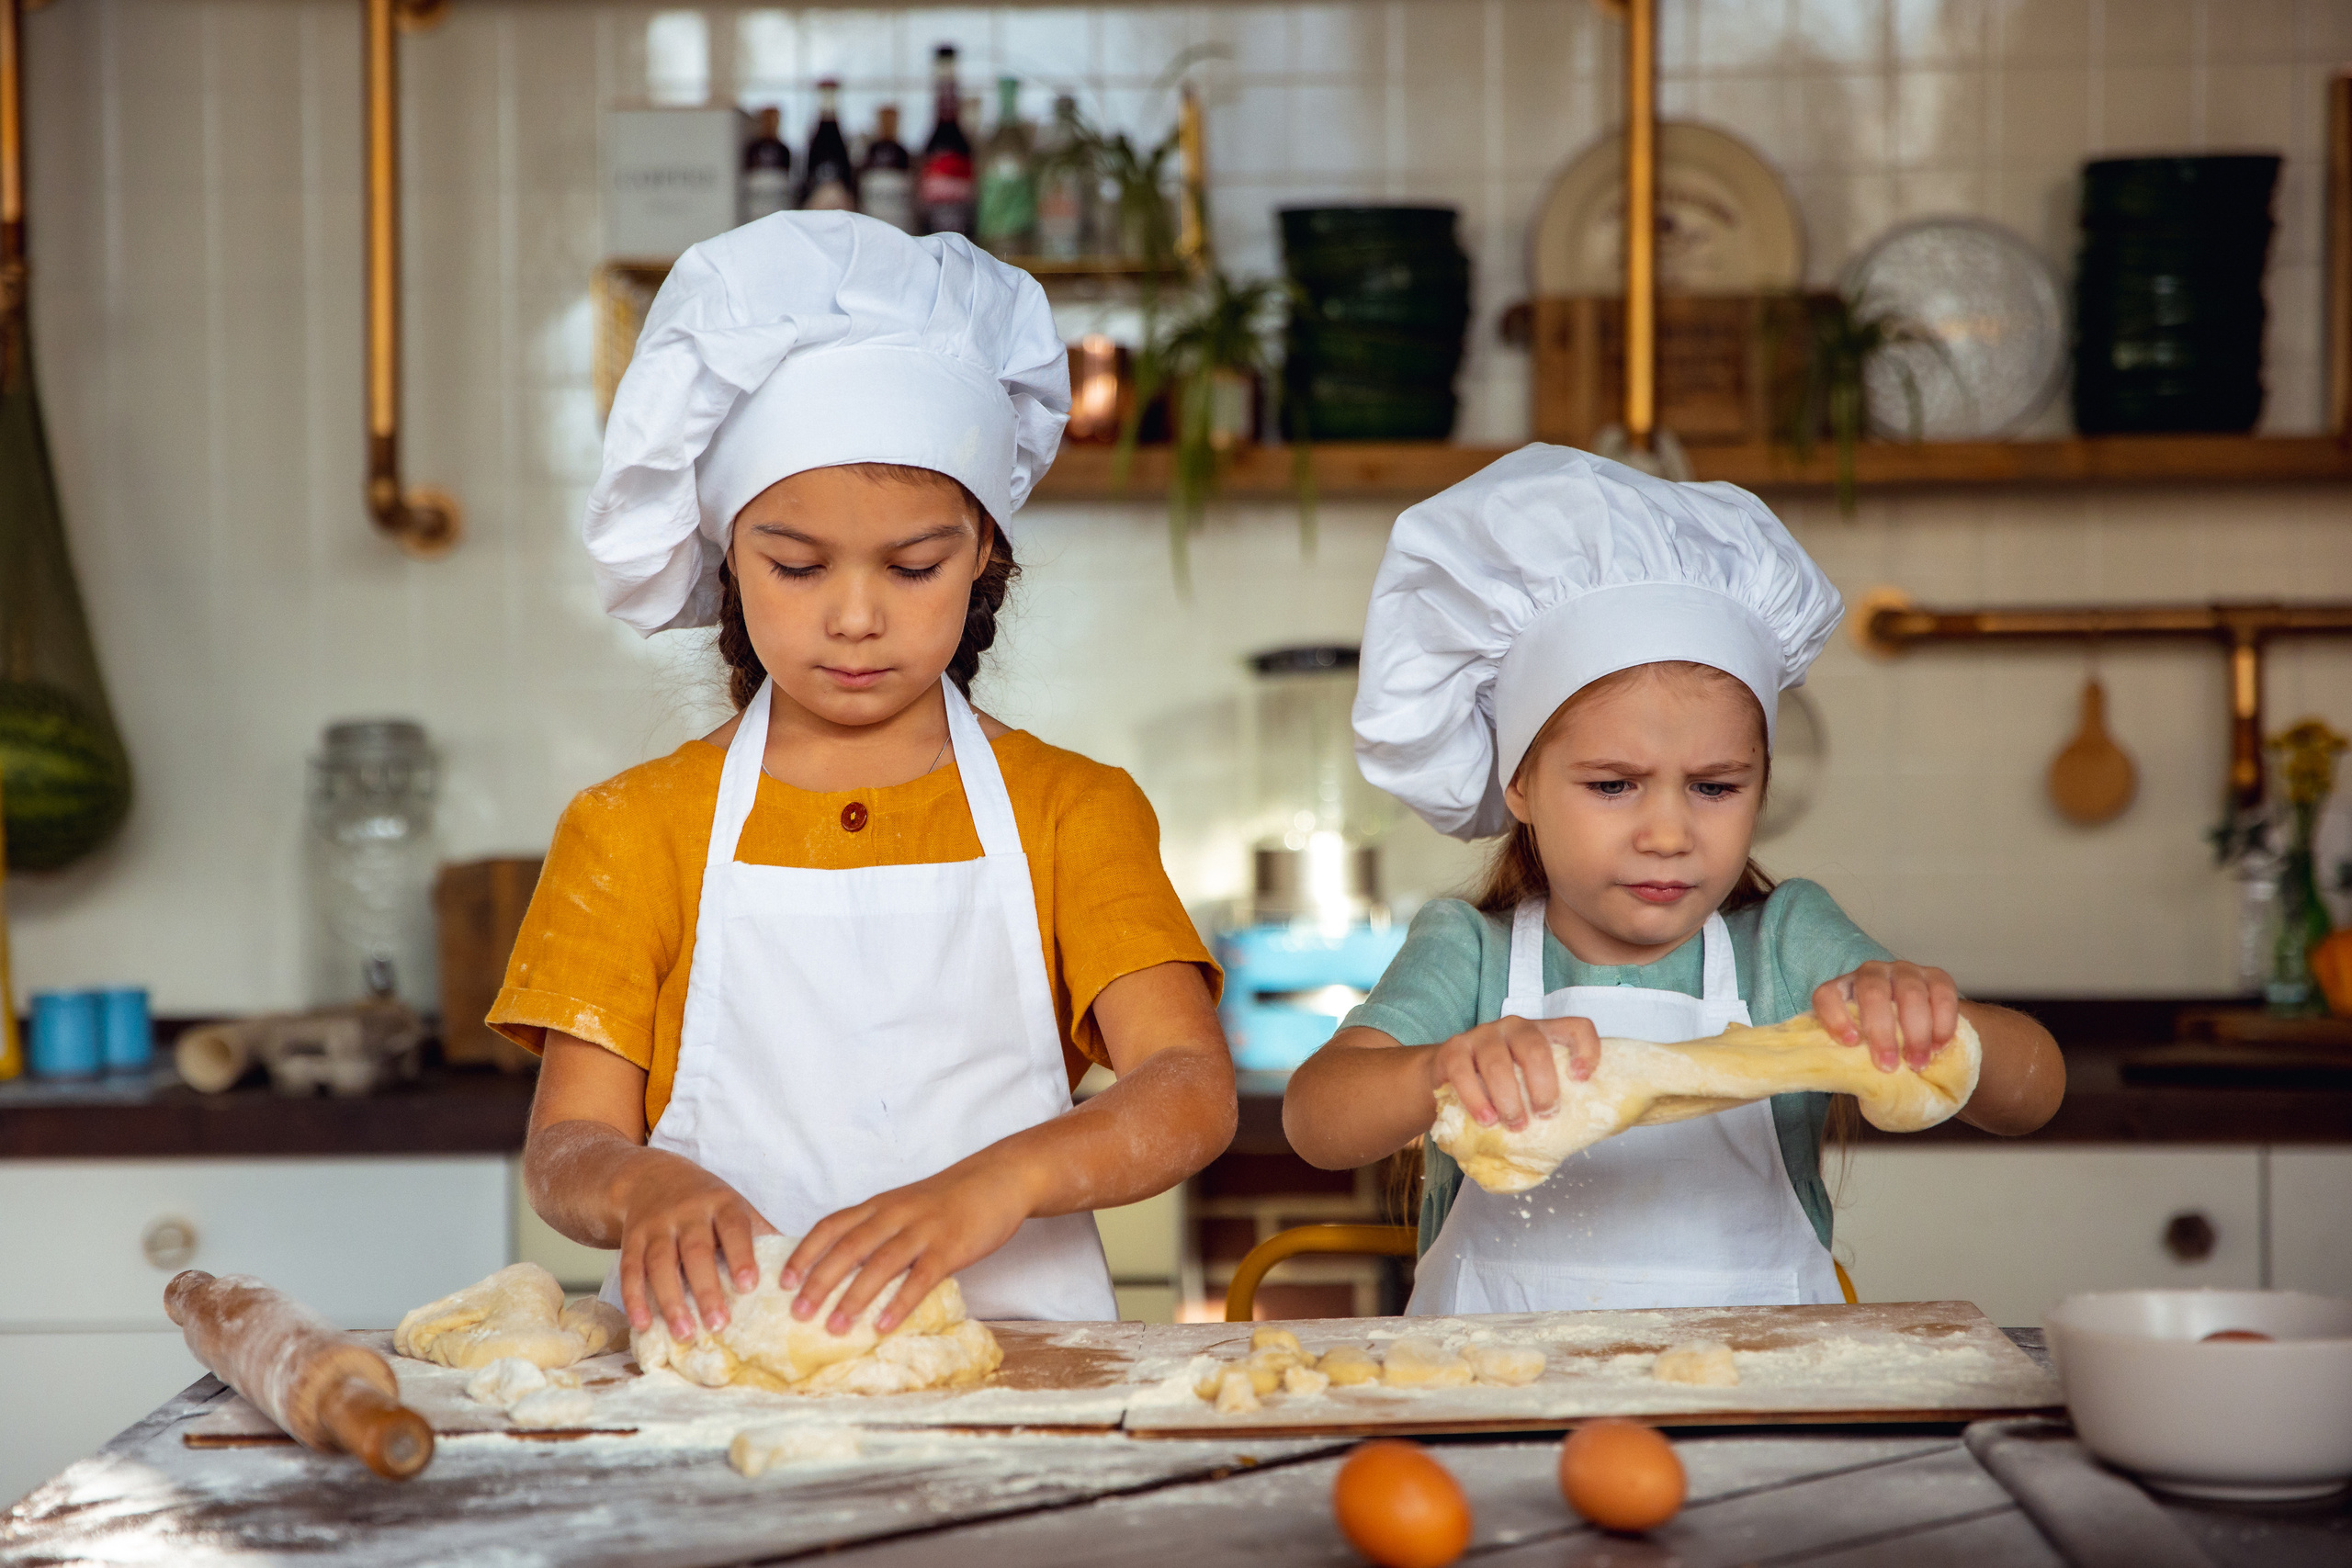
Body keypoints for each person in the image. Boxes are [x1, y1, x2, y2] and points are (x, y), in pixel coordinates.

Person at [493, 212, 1235, 1344]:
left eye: (913, 564)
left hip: (1020, 1383)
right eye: (794, 565)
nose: (853, 616)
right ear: (727, 553)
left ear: (983, 549)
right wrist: (643, 1187)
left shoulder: (1070, 811)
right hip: (715, 1388)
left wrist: (999, 1183)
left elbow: (1186, 1087)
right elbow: (567, 1146)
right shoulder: (633, 828)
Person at [1283, 445, 2064, 1314]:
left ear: (1761, 786)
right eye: (1613, 785)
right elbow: (1318, 1120)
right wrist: (1437, 1067)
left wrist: (1932, 1020)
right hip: (1494, 1416)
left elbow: (2036, 1092)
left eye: (1715, 787)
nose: (1667, 833)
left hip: (1761, 1416)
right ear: (1520, 783)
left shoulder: (1788, 943)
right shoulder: (1470, 954)